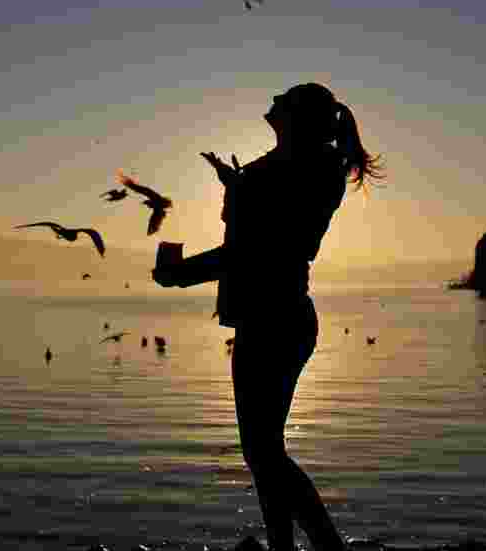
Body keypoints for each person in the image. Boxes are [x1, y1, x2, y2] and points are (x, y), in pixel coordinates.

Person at [152, 83, 384, 551]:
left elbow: (256, 251)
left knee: (263, 451)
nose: (272, 101)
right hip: (268, 317)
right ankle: (283, 547)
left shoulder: (305, 168)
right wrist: (237, 187)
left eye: (284, 98)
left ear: (297, 116)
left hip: (275, 319)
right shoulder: (296, 167)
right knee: (263, 452)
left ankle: (326, 545)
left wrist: (181, 274)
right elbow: (257, 233)